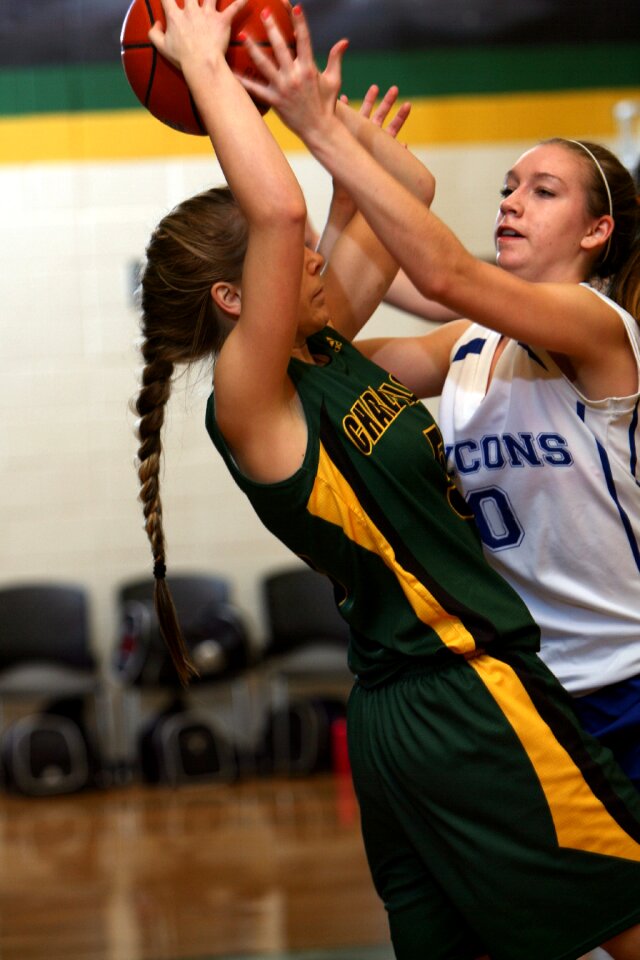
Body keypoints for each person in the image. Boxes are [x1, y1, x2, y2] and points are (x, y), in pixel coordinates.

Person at [135, 3, 640, 959]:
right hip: (456, 688)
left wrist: (327, 121)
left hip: (430, 699)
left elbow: (402, 187)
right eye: (287, 265)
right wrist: (212, 68)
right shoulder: (253, 399)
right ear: (239, 301)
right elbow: (285, 214)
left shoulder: (327, 351)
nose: (311, 256)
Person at [241, 5, 640, 794]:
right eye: (507, 186)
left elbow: (445, 272)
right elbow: (321, 354)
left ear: (596, 232)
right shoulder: (467, 345)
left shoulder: (601, 326)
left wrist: (323, 130)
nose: (511, 201)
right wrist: (339, 161)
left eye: (543, 190)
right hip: (521, 692)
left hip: (623, 679)